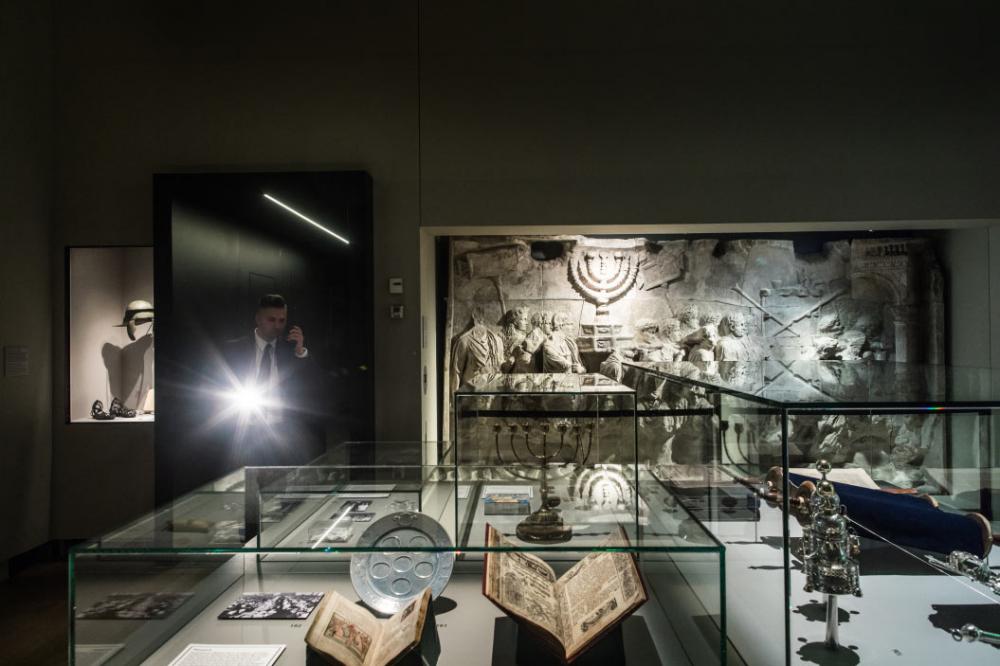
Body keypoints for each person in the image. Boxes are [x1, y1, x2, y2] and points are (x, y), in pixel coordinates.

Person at [222, 294, 316, 464]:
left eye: (282, 320)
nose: (277, 326)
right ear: (258, 319)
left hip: (284, 432)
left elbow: (313, 385)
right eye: (271, 320)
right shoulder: (233, 349)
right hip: (244, 431)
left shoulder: (291, 351)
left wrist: (301, 351)